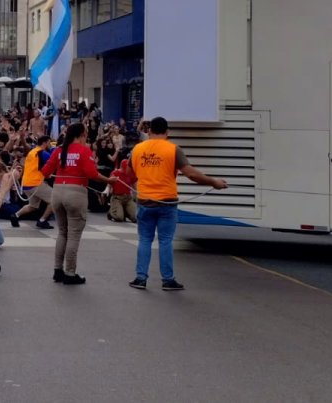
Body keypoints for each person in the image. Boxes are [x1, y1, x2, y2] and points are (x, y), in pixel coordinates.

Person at [128, 116, 227, 291]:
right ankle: (167, 280)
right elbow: (191, 174)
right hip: (167, 202)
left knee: (144, 240)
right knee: (165, 241)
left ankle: (140, 278)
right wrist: (213, 182)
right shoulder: (173, 149)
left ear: (149, 131)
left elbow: (130, 173)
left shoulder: (137, 149)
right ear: (167, 132)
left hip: (144, 201)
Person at [40, 122, 112, 284]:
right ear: (80, 135)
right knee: (73, 235)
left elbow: (45, 172)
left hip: (58, 192)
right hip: (76, 193)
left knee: (62, 233)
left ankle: (57, 270)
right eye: (86, 134)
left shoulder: (58, 150)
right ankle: (70, 273)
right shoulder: (84, 151)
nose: (87, 137)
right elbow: (92, 173)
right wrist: (109, 180)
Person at [10, 136, 54, 229]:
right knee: (54, 200)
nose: (49, 144)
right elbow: (51, 165)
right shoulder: (43, 153)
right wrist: (48, 174)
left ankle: (15, 215)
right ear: (45, 143)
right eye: (49, 142)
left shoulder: (32, 152)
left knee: (33, 206)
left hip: (26, 183)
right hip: (36, 183)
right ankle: (42, 221)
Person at [106, 145, 138, 223]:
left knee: (136, 217)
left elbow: (135, 186)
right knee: (119, 218)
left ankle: (127, 212)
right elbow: (109, 182)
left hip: (128, 198)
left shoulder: (131, 173)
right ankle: (111, 212)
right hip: (117, 197)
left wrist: (138, 195)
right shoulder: (115, 173)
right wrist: (108, 189)